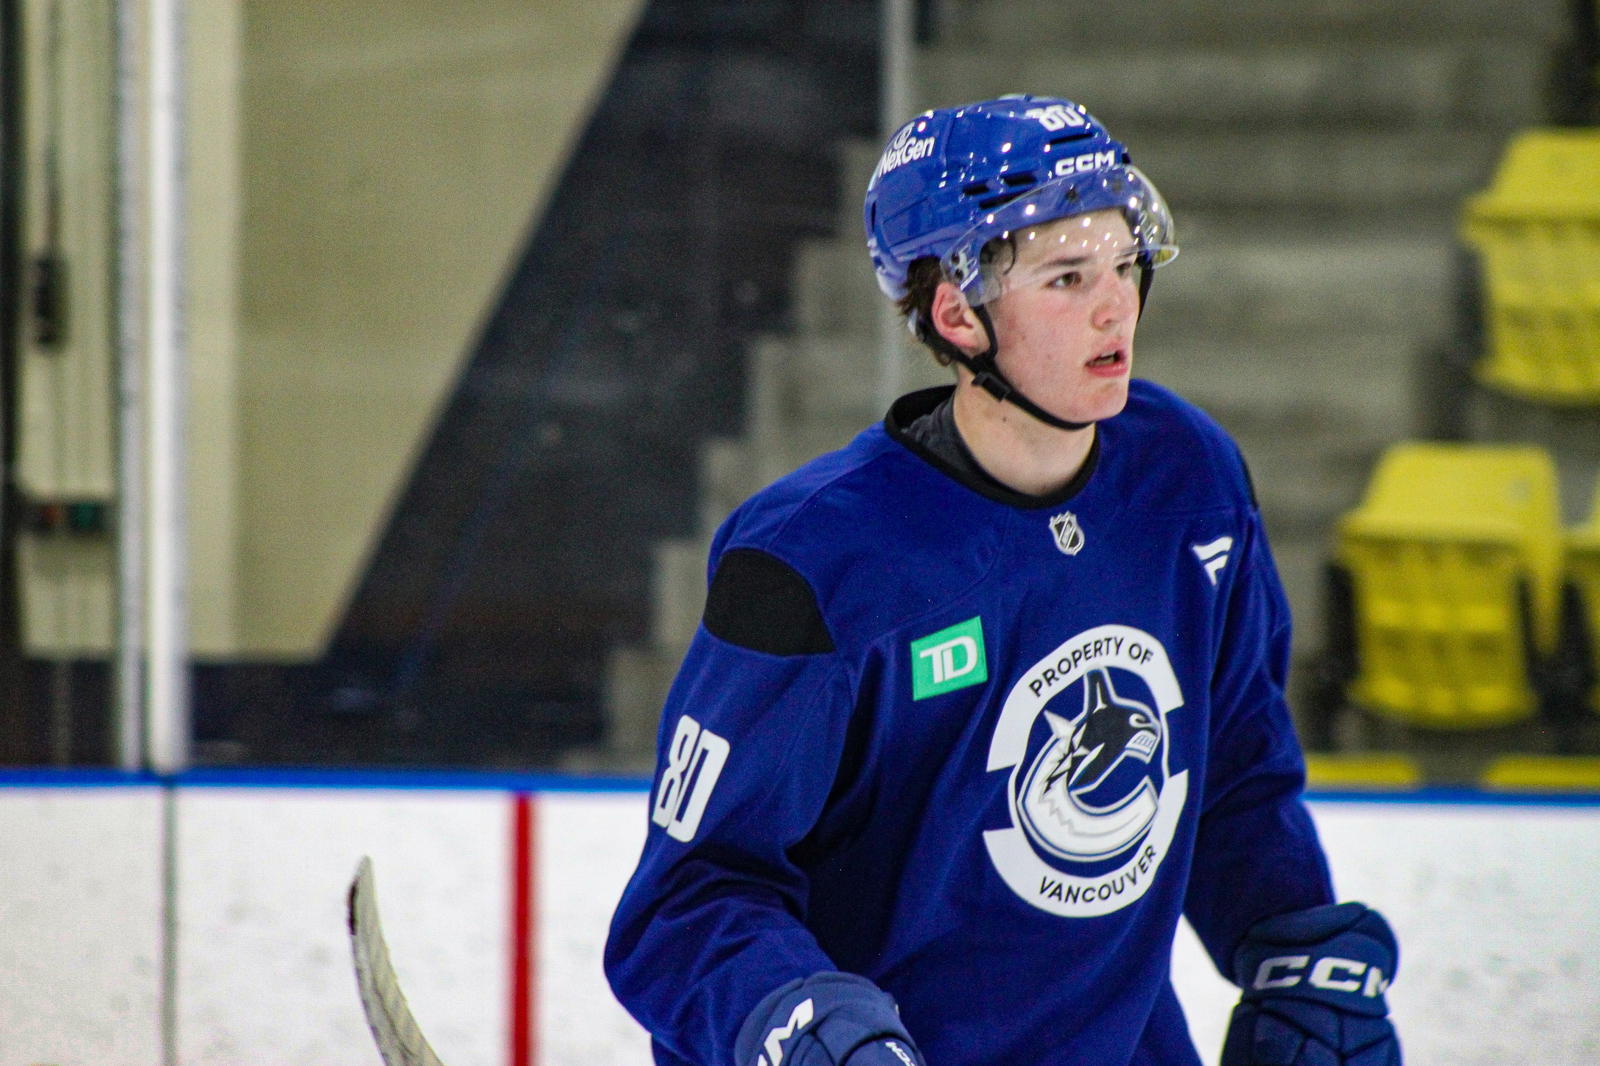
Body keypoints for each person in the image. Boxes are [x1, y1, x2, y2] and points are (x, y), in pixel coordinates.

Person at [605, 94, 1402, 1066]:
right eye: (1067, 278)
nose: (1115, 304)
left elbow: (1228, 767)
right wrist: (799, 1021)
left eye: (1122, 262)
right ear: (958, 313)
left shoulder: (1186, 475)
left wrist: (1293, 944)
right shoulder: (813, 557)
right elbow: (687, 903)